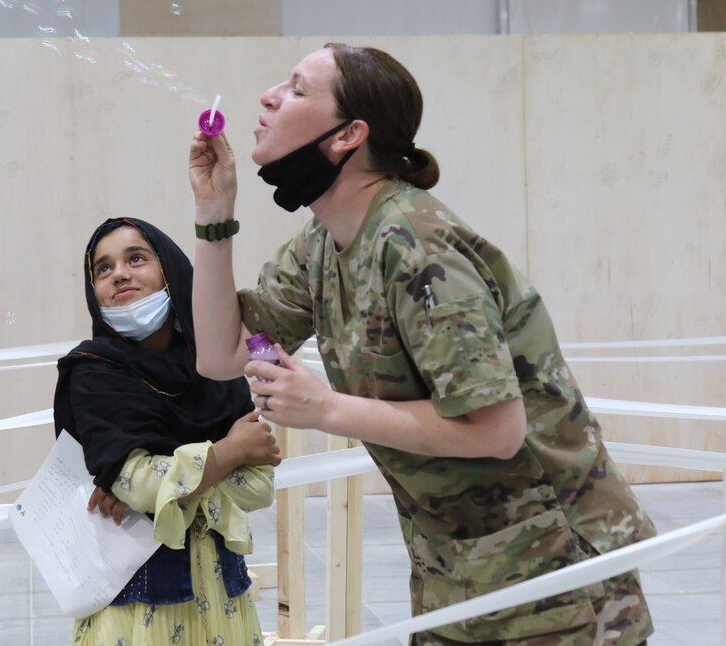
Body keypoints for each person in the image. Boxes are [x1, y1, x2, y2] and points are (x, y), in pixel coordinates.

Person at [186, 44, 655, 645]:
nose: (269, 96)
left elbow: (496, 428)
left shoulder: (415, 245)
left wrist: (326, 409)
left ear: (348, 135)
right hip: (456, 569)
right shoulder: (321, 245)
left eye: (298, 89)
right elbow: (220, 354)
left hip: (553, 575)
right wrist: (213, 213)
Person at [52, 217, 279, 646]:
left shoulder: (215, 363)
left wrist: (170, 482)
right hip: (139, 607)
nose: (119, 273)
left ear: (170, 270)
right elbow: (136, 485)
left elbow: (258, 488)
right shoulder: (94, 373)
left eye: (135, 258)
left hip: (222, 594)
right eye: (103, 268)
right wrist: (229, 453)